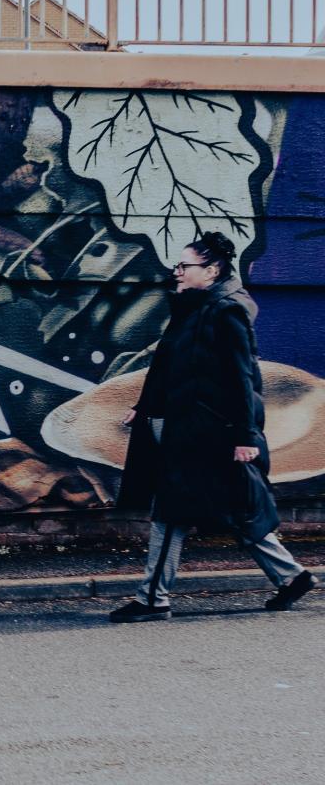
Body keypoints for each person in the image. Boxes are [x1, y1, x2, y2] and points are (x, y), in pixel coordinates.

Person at [110, 232, 315, 623]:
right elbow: (169, 364)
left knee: (171, 512)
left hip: (208, 431)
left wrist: (245, 436)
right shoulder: (192, 305)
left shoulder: (227, 311)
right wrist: (145, 405)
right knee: (231, 506)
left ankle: (153, 599)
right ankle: (292, 577)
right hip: (188, 425)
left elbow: (243, 377)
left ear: (212, 269)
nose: (177, 271)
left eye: (185, 265)